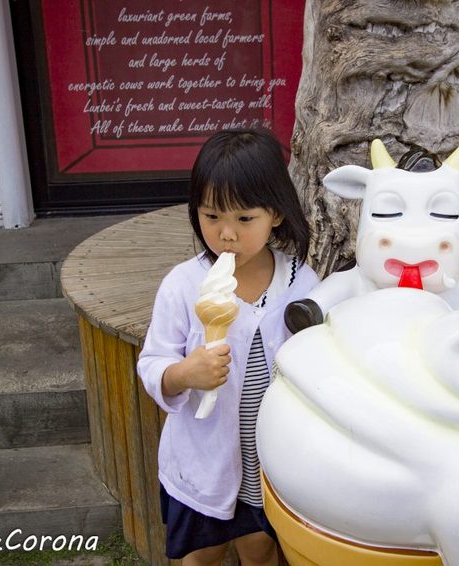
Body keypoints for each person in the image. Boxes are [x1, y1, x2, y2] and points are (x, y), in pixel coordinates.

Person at [137, 128, 319, 566]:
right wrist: (184, 373)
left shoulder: (302, 283)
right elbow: (153, 362)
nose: (226, 234)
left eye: (244, 219)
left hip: (269, 458)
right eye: (212, 216)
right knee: (202, 554)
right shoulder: (184, 285)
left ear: (276, 213)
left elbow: (317, 362)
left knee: (261, 549)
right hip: (204, 461)